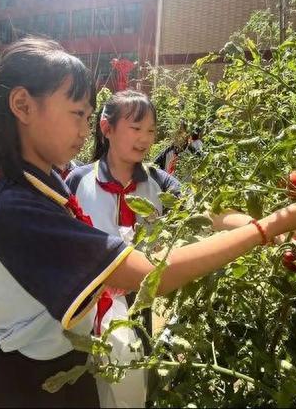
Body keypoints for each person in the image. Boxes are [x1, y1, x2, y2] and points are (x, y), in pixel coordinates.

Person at [0, 37, 296, 408]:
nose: (83, 130)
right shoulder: (18, 206)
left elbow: (203, 211)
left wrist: (265, 225)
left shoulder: (49, 189)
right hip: (29, 386)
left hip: (68, 363)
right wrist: (274, 224)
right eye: (76, 114)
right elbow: (151, 275)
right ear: (23, 105)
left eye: (88, 116)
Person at [66, 90, 180, 407]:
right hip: (87, 303)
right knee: (88, 380)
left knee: (133, 368)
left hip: (137, 298)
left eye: (151, 131)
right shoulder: (78, 180)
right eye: (135, 128)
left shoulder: (159, 183)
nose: (144, 139)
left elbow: (198, 210)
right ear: (107, 128)